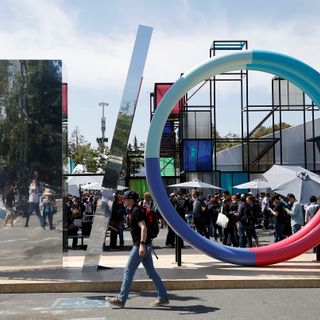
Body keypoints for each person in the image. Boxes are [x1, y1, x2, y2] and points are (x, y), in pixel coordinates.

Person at [106, 190, 169, 308]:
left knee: (128, 271)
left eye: (125, 199)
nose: (123, 200)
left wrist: (141, 244)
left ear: (131, 200)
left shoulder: (136, 210)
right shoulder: (135, 210)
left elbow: (143, 227)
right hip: (147, 245)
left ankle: (121, 299)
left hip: (141, 245)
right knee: (151, 272)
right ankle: (163, 297)